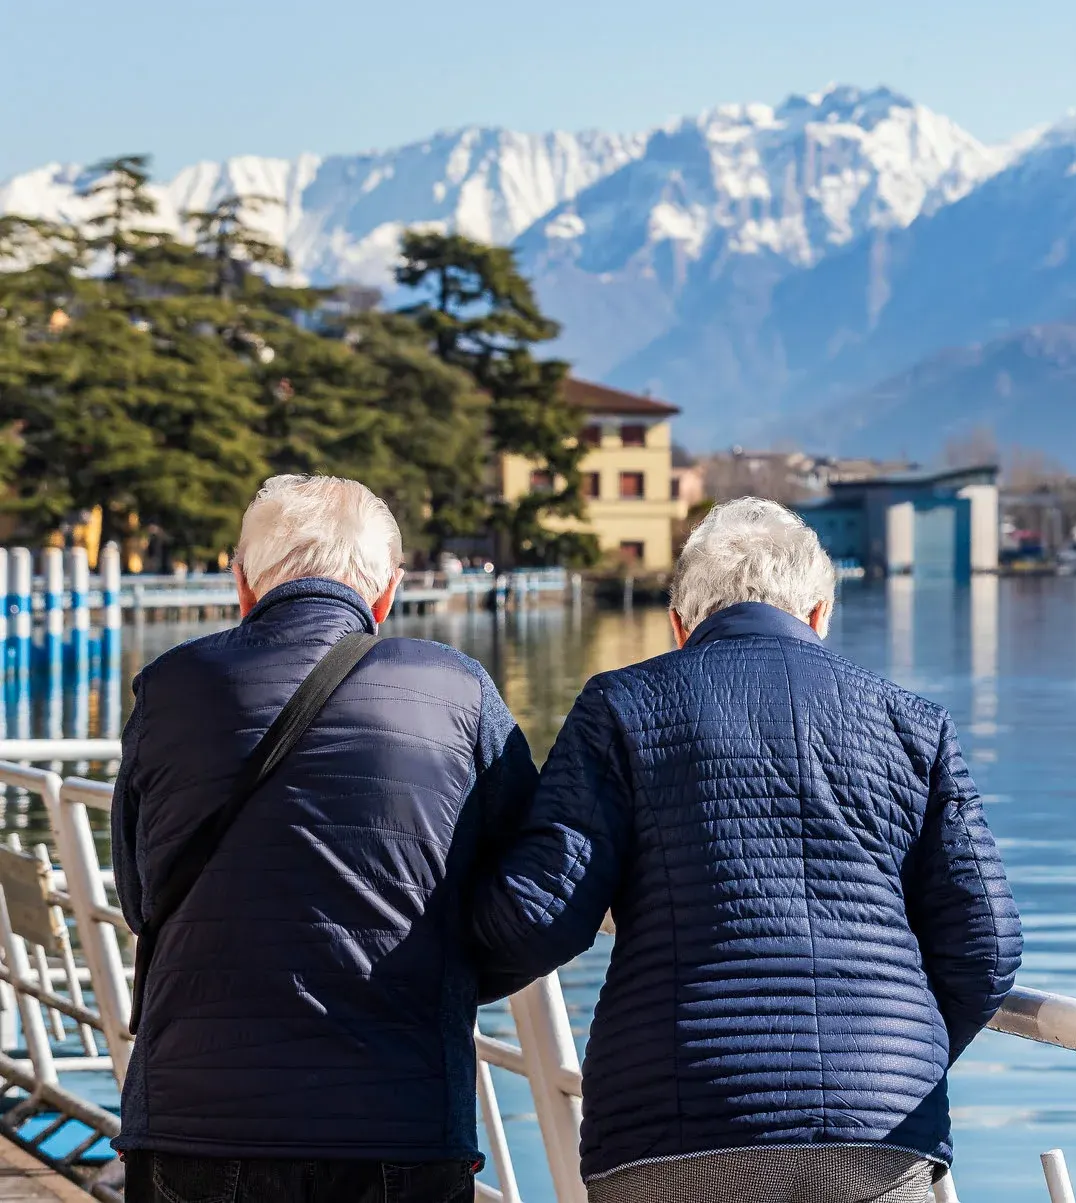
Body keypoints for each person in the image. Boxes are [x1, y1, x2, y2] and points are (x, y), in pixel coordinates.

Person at [470, 498, 1021, 1203]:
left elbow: (545, 911)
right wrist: (896, 1053)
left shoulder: (621, 706)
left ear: (679, 625)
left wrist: (428, 970)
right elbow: (989, 944)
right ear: (821, 613)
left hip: (677, 1115)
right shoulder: (916, 725)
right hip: (884, 1127)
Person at [112, 475, 537, 1203]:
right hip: (398, 1120)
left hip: (197, 1121)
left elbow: (138, 892)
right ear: (389, 591)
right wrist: (448, 968)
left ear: (242, 582)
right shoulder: (460, 691)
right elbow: (535, 886)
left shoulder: (170, 687)